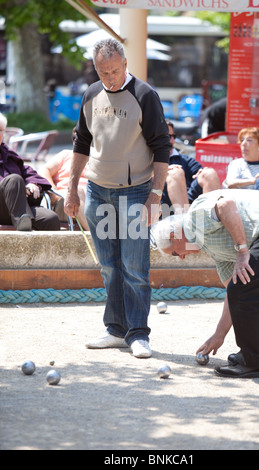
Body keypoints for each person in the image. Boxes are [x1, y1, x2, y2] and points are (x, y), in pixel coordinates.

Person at [64, 38, 171, 358]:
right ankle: (115, 329)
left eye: (113, 70)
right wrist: (71, 188)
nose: (109, 77)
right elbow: (81, 143)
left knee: (135, 266)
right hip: (97, 191)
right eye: (102, 71)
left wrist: (155, 194)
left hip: (137, 191)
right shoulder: (90, 94)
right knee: (110, 266)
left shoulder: (145, 95)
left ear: (125, 65)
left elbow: (162, 147)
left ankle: (138, 333)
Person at [151, 188, 259, 378]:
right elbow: (233, 292)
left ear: (173, 236)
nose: (180, 258)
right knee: (252, 285)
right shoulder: (216, 252)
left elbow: (225, 205)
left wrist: (242, 251)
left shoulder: (193, 219)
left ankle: (253, 362)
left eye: (174, 252)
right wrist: (219, 335)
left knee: (246, 290)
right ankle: (252, 355)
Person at [0, 112, 60, 231]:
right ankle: (23, 228)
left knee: (50, 218)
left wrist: (32, 184)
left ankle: (23, 223)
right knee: (14, 179)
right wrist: (16, 187)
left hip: (18, 207)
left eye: (0, 130)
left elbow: (30, 173)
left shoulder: (9, 155)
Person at [161, 120, 221, 216]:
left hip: (189, 201)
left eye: (173, 136)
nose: (171, 141)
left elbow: (199, 172)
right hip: (163, 205)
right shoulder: (146, 161)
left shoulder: (184, 159)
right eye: (167, 136)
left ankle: (212, 221)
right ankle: (184, 223)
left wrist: (202, 173)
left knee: (209, 173)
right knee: (175, 173)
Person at [39, 128, 88, 230]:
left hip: (93, 203)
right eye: (75, 138)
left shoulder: (98, 160)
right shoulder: (66, 155)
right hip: (66, 201)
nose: (77, 141)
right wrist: (53, 193)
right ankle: (95, 238)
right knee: (77, 191)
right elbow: (43, 170)